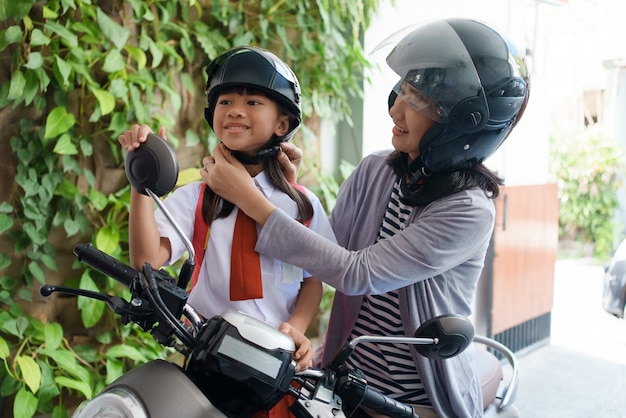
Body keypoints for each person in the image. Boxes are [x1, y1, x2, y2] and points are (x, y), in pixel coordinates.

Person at [201, 18, 530, 418]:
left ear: (463, 124)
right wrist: (287, 190)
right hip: (346, 376)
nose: (397, 109)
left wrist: (250, 199)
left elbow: (357, 273)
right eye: (402, 91)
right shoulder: (377, 169)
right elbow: (324, 253)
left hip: (413, 399)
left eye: (420, 101)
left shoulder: (467, 211)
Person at [118, 46, 336, 376]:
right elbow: (146, 260)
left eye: (252, 102)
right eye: (225, 102)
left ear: (282, 123)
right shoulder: (198, 197)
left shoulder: (301, 205)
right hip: (207, 360)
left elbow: (312, 279)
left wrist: (296, 327)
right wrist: (141, 179)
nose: (234, 111)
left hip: (276, 365)